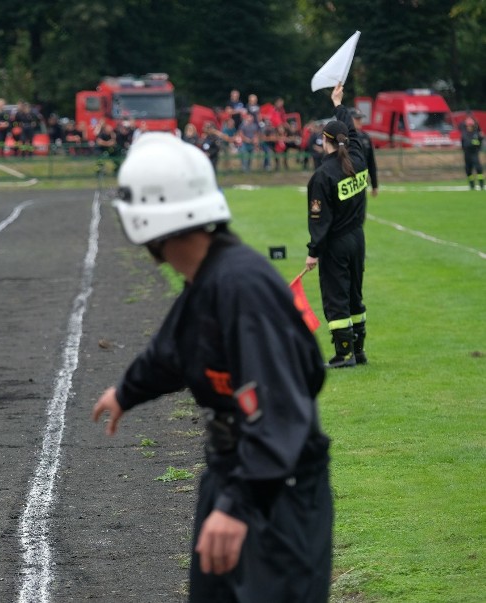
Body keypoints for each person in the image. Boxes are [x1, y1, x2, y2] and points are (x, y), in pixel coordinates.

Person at [92, 132, 332, 603]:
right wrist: (127, 391)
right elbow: (173, 350)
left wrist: (237, 506)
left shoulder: (241, 286)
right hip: (237, 473)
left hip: (274, 490)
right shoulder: (207, 277)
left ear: (148, 222)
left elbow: (280, 410)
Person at [305, 83, 369, 368]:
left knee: (336, 297)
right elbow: (351, 132)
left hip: (336, 244)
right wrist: (338, 104)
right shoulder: (357, 158)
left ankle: (343, 354)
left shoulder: (322, 175)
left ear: (324, 141)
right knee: (355, 293)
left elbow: (320, 221)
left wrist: (313, 252)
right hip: (358, 239)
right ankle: (359, 349)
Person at [351, 109, 379, 197]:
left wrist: (374, 185)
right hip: (347, 179)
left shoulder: (365, 137)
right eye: (357, 119)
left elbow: (371, 162)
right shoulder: (344, 137)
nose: (360, 121)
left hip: (362, 180)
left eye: (360, 119)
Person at [459, 116, 484, 190]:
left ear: (473, 126)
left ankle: (481, 184)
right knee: (468, 169)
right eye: (468, 126)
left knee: (478, 168)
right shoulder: (464, 133)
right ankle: (472, 185)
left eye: (470, 126)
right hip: (467, 154)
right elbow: (462, 143)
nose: (469, 127)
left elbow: (480, 142)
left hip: (474, 153)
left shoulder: (477, 133)